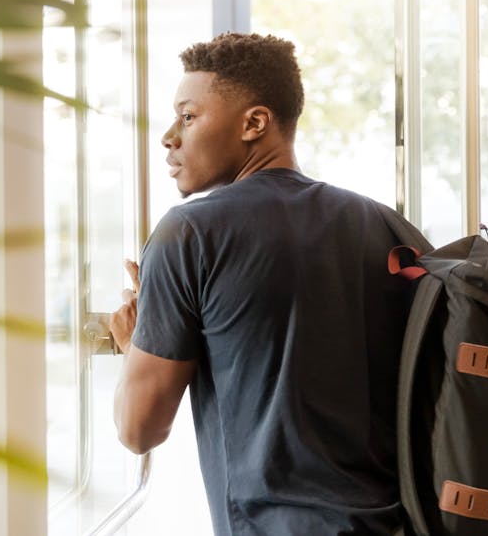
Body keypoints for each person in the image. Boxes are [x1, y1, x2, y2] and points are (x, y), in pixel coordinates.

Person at [108, 32, 410, 535]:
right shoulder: (385, 226)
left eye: (187, 116)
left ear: (254, 123)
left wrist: (136, 340)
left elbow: (138, 429)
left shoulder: (189, 233)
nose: (168, 136)